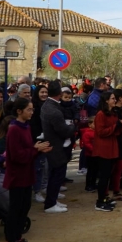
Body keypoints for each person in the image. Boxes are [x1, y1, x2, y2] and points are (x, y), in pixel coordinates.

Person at [4, 97, 52, 242]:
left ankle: (18, 238)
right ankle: (10, 241)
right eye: (29, 109)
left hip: (26, 173)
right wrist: (35, 149)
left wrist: (38, 150)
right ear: (19, 111)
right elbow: (17, 155)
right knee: (15, 209)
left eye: (32, 109)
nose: (32, 112)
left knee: (24, 207)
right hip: (17, 175)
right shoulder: (14, 129)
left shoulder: (25, 127)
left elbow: (27, 150)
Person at [40, 80, 76, 214]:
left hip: (53, 144)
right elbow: (63, 131)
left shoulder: (48, 105)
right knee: (57, 175)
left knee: (55, 174)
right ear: (59, 93)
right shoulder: (53, 110)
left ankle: (52, 200)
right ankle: (50, 203)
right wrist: (73, 127)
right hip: (56, 146)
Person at [92, 91, 121, 212]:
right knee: (104, 176)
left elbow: (116, 131)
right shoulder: (100, 114)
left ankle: (104, 198)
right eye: (113, 98)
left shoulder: (113, 113)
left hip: (111, 147)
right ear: (106, 101)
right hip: (103, 148)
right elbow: (101, 132)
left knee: (107, 175)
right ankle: (100, 201)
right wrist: (116, 126)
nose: (115, 100)